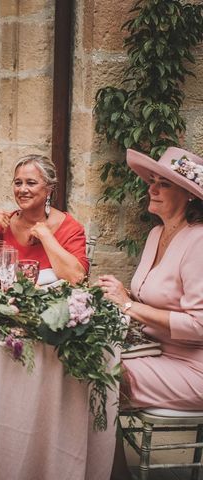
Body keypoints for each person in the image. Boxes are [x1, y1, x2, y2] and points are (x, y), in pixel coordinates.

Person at [99, 147, 203, 480]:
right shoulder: (156, 233)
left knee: (96, 379)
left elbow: (199, 325)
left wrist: (128, 305)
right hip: (153, 352)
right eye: (152, 181)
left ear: (188, 195)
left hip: (191, 367)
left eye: (164, 184)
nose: (152, 189)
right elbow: (154, 300)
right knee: (89, 365)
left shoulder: (199, 242)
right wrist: (122, 293)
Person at [0, 154, 87, 284]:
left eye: (31, 183)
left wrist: (46, 236)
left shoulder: (70, 228)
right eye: (18, 183)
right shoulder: (3, 225)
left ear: (49, 189)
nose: (22, 189)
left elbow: (77, 278)